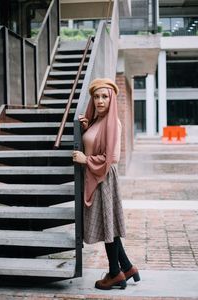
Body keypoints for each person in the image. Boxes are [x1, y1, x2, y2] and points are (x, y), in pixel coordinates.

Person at [72, 78, 140, 290]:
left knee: (107, 225)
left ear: (111, 99)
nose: (100, 100)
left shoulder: (113, 122)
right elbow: (94, 143)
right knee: (108, 225)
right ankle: (127, 268)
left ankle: (114, 273)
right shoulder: (96, 121)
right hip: (95, 176)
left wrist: (86, 160)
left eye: (105, 96)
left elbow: (113, 157)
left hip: (103, 178)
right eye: (97, 96)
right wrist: (86, 128)